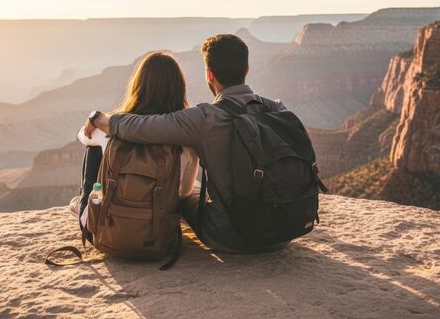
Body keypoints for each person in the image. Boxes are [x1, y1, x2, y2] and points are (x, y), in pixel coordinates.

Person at [84, 34, 291, 253]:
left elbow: (140, 126)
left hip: (230, 237)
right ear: (247, 69)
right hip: (284, 230)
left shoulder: (204, 119)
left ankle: (88, 208)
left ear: (209, 75)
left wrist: (98, 118)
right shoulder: (277, 109)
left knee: (185, 190)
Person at [70, 51, 199, 228]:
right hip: (157, 236)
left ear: (138, 86)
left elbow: (84, 136)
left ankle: (85, 209)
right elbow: (184, 192)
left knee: (92, 148)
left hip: (105, 232)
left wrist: (96, 119)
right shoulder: (185, 138)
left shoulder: (110, 127)